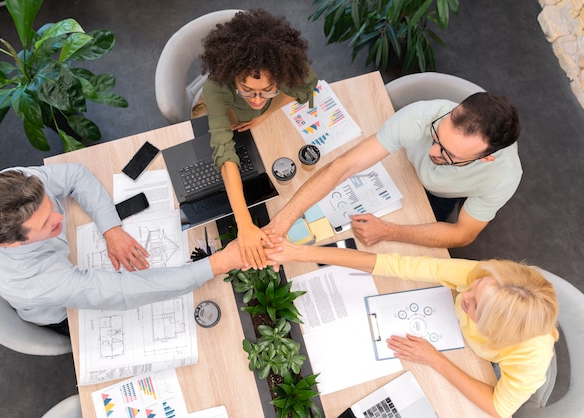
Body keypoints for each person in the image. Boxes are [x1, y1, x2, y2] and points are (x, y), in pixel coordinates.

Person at [0, 164, 275, 335]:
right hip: (58, 312)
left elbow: (75, 176)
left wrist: (111, 228)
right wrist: (221, 262)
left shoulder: (11, 184)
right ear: (13, 242)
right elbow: (129, 290)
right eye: (48, 223)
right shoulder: (35, 283)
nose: (60, 217)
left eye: (52, 205)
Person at [268, 240, 559, 418]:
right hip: (457, 338)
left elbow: (499, 408)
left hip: (484, 368)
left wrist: (435, 359)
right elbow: (401, 265)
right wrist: (302, 254)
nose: (462, 294)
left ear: (495, 332)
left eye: (473, 306)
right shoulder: (483, 279)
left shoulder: (530, 357)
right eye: (474, 288)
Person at [267, 92, 522, 248]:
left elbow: (462, 233)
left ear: (486, 159)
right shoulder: (421, 116)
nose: (433, 152)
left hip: (442, 196)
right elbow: (343, 166)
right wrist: (282, 221)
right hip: (402, 168)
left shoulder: (504, 177)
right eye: (436, 136)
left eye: (449, 155)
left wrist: (390, 231)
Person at [200, 9, 318, 269]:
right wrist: (244, 222)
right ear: (232, 77)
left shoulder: (286, 68)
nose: (256, 100)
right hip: (227, 116)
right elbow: (223, 148)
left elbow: (308, 85)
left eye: (267, 90)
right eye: (247, 91)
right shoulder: (216, 88)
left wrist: (268, 111)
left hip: (262, 127)